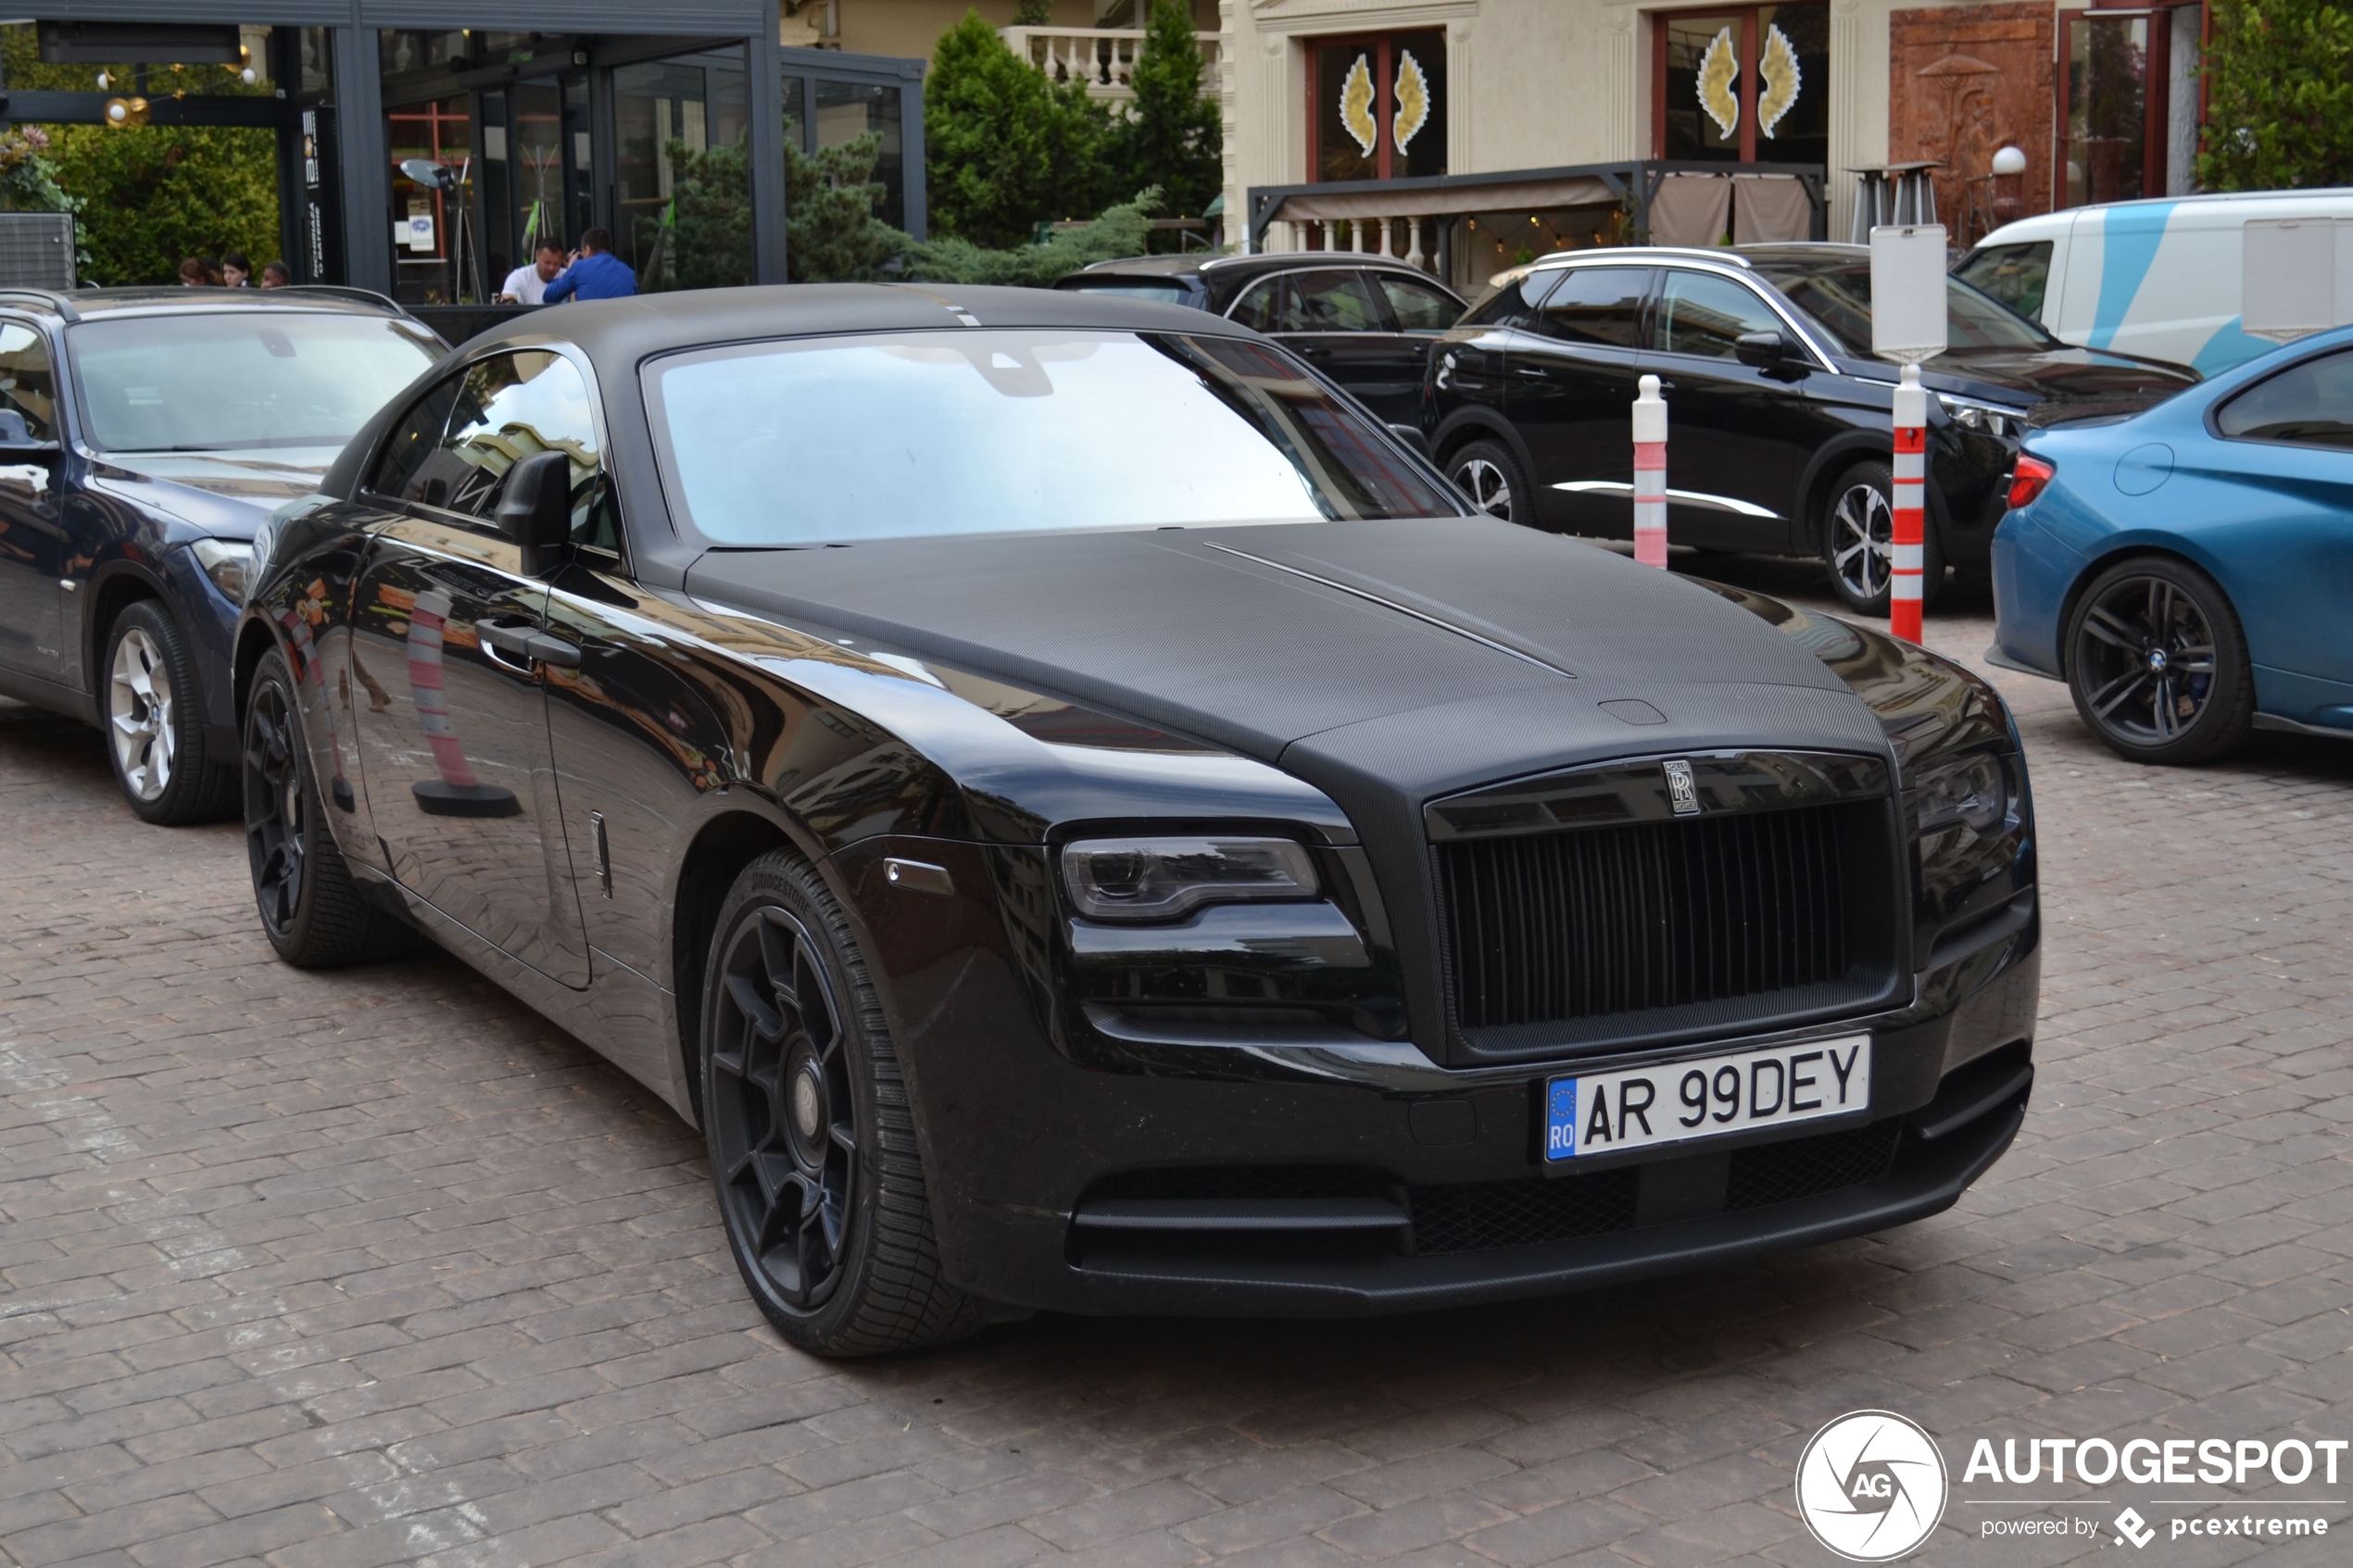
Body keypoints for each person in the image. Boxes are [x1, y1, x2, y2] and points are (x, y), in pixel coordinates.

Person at [542, 228, 636, 303]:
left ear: (587, 250)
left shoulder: (579, 268)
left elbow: (548, 296)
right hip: (622, 325)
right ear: (610, 248)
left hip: (592, 326)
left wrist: (570, 268)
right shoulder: (628, 272)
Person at [497, 241, 565, 305]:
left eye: (556, 264)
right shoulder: (519, 277)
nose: (551, 268)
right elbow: (507, 305)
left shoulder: (567, 276)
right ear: (537, 256)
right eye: (547, 263)